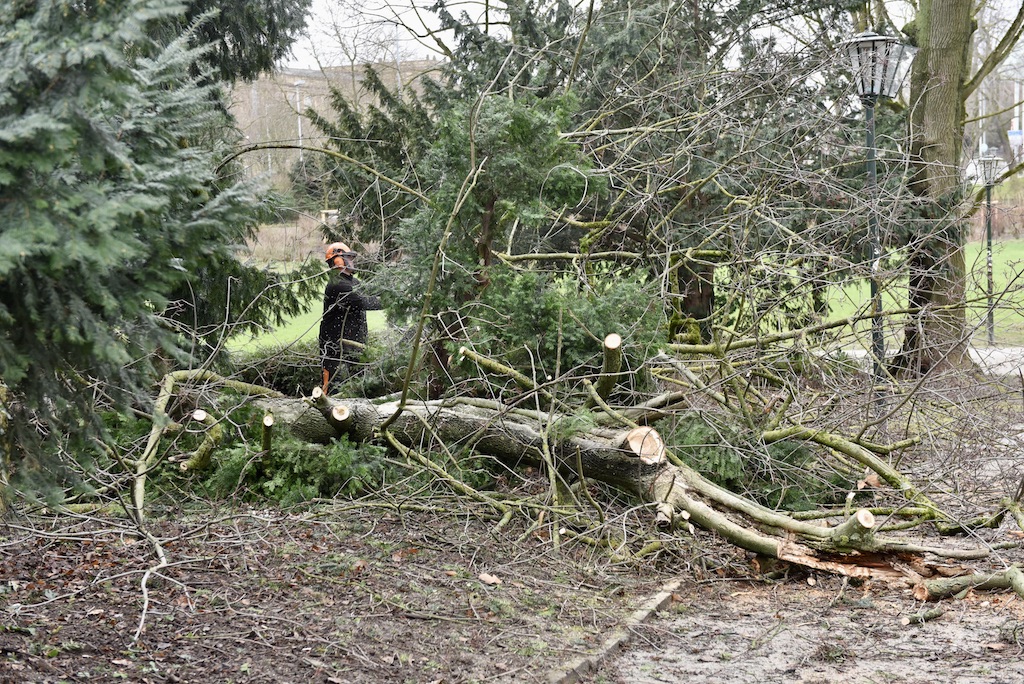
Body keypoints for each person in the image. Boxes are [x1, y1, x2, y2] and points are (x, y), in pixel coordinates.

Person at [319, 242, 381, 393]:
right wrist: (391, 301)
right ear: (337, 260)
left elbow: (372, 290)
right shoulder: (337, 284)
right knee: (333, 387)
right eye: (348, 258)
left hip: (355, 341)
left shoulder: (353, 281)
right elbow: (363, 301)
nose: (352, 262)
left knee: (360, 385)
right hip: (335, 344)